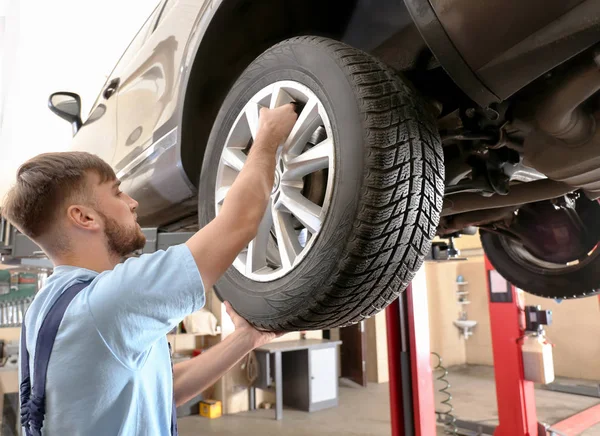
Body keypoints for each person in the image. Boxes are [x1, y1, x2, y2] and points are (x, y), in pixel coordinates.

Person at [2, 104, 298, 435]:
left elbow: (164, 390)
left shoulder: (47, 308)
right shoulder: (106, 303)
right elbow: (238, 224)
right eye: (117, 192)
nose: (133, 202)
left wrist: (248, 338)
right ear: (83, 217)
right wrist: (269, 135)